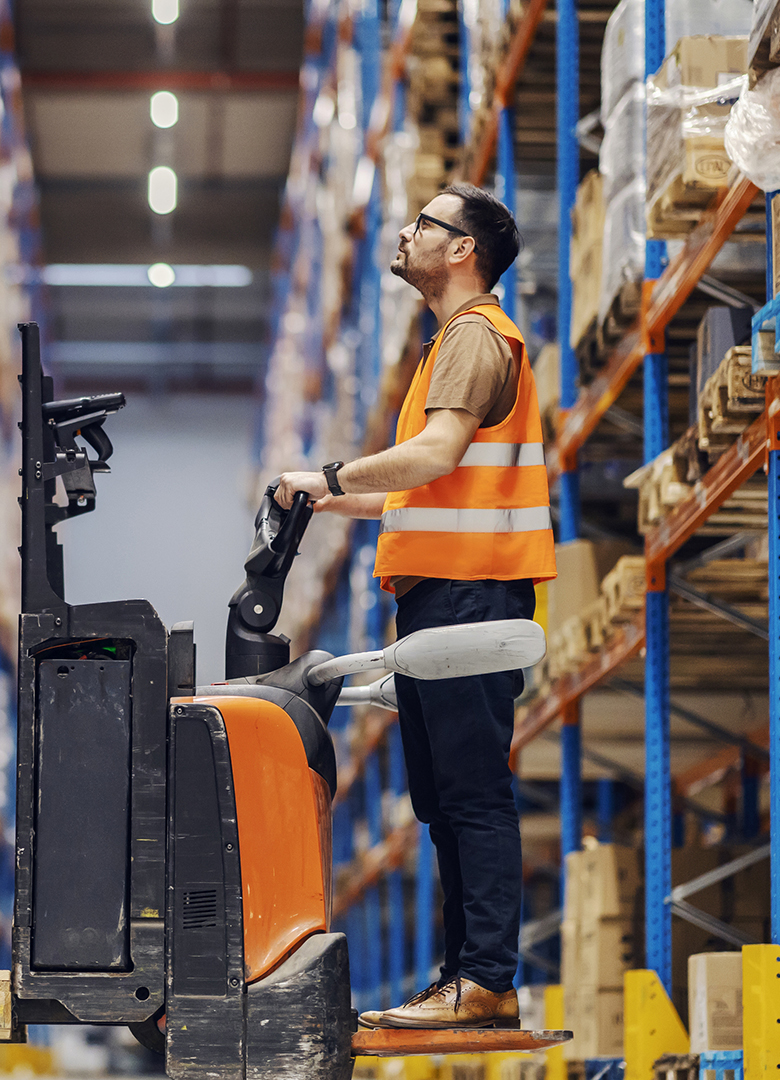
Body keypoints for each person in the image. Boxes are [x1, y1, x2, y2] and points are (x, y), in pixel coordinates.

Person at [275, 182, 555, 1030]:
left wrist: (330, 476)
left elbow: (434, 454)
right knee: (440, 799)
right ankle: (462, 978)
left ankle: (485, 982)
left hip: (473, 590)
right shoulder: (451, 345)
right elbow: (425, 485)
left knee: (471, 793)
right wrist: (332, 499)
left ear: (462, 249)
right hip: (446, 592)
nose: (406, 232)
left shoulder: (475, 337)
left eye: (424, 223)